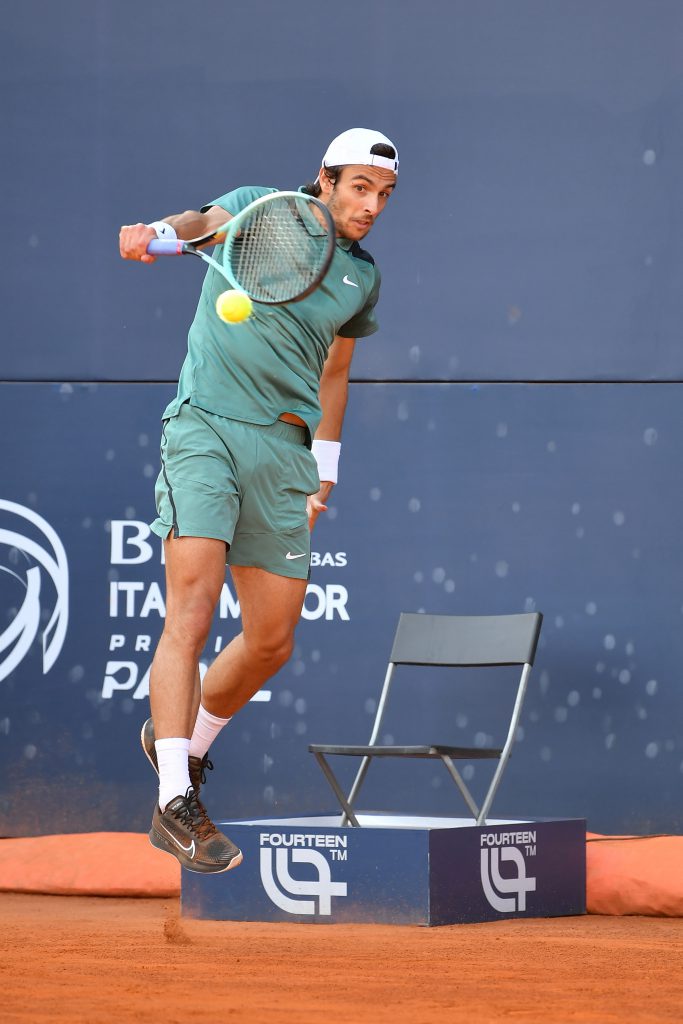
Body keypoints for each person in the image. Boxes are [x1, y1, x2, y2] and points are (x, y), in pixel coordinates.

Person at [118, 128, 399, 874]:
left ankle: (182, 747)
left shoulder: (361, 278)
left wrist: (323, 469)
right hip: (204, 427)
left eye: (383, 195)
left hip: (282, 453)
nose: (370, 206)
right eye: (359, 188)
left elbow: (335, 372)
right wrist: (153, 234)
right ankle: (175, 799)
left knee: (272, 641)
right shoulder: (254, 210)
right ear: (325, 180)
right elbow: (191, 225)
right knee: (193, 608)